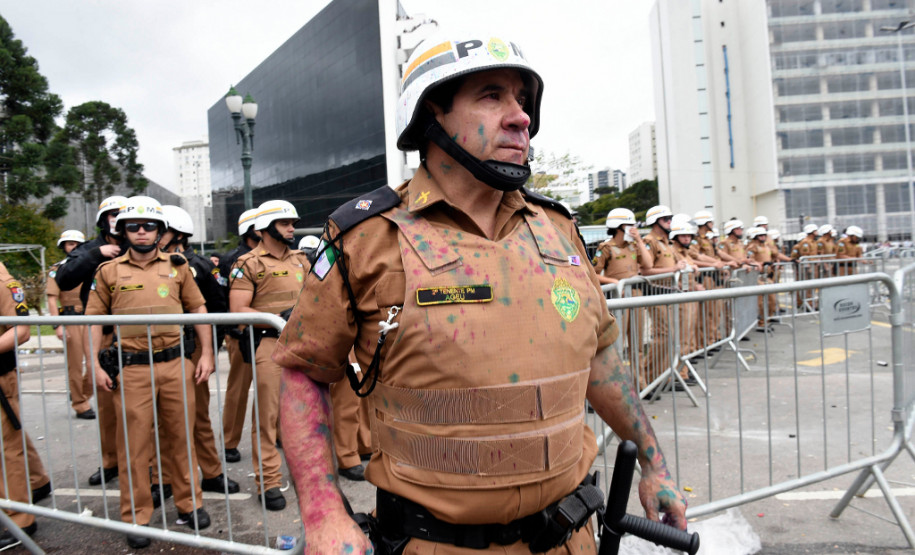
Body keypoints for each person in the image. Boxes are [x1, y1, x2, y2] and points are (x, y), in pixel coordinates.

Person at [273, 33, 687, 554]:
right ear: (432, 117)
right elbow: (303, 373)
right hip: (436, 545)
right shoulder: (366, 236)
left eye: (522, 100)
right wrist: (322, 513)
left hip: (570, 538)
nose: (521, 118)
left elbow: (600, 357)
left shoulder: (557, 228)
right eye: (492, 96)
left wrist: (655, 464)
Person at [85, 196, 214, 548]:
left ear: (160, 231)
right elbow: (93, 321)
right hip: (133, 368)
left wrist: (207, 355)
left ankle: (190, 505)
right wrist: (94, 363)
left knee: (181, 438)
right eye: (133, 226)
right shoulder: (108, 271)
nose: (142, 232)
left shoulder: (178, 267)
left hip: (176, 364)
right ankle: (138, 517)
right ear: (122, 231)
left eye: (149, 226)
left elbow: (199, 307)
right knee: (134, 447)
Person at [228, 199, 310, 511]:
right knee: (268, 417)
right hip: (269, 345)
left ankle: (308, 475)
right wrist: (279, 316)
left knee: (306, 414)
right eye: (285, 223)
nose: (292, 228)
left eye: (293, 222)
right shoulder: (247, 264)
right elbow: (238, 311)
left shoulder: (301, 259)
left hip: (303, 347)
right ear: (264, 229)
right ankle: (269, 480)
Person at [158, 205, 239, 496]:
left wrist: (209, 352)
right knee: (162, 421)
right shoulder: (147, 266)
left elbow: (218, 309)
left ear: (178, 233)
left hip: (191, 350)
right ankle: (164, 478)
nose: (154, 234)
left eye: (161, 228)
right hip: (158, 351)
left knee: (199, 416)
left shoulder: (202, 266)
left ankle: (212, 473)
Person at [54, 195, 127, 487]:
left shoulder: (142, 243)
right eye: (112, 214)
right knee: (108, 406)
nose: (117, 219)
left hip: (139, 335)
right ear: (102, 220)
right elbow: (64, 279)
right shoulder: (89, 250)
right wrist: (97, 254)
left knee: (141, 407)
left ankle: (150, 465)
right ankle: (112, 463)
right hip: (105, 333)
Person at [0, 261, 51, 548]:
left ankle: (20, 519)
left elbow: (21, 331)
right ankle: (36, 481)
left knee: (6, 447)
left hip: (1, 375)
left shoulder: (5, 283)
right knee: (10, 435)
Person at [591, 208, 652, 388]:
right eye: (630, 225)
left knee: (637, 343)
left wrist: (639, 240)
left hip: (635, 298)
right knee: (615, 344)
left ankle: (639, 383)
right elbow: (593, 274)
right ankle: (615, 384)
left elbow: (648, 264)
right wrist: (613, 281)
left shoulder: (634, 246)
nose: (633, 229)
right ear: (619, 227)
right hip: (618, 299)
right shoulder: (606, 247)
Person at [220, 208, 260, 464]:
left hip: (272, 334)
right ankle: (229, 441)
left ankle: (278, 434)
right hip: (242, 333)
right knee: (238, 389)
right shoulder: (233, 260)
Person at [47, 230, 95, 420]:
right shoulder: (57, 269)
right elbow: (52, 300)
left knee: (96, 363)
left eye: (76, 244)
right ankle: (80, 404)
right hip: (70, 319)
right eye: (69, 244)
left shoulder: (91, 266)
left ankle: (80, 393)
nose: (72, 247)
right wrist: (57, 325)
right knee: (75, 366)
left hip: (91, 318)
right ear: (63, 247)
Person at [641, 204, 686, 390]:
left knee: (670, 337)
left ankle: (663, 377)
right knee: (663, 336)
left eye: (670, 219)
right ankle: (650, 378)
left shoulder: (665, 242)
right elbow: (645, 270)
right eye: (666, 219)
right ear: (655, 221)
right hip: (656, 293)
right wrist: (674, 269)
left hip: (668, 293)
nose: (670, 222)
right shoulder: (649, 241)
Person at [746, 227, 778, 331]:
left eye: (764, 235)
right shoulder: (752, 247)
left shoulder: (767, 246)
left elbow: (774, 255)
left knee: (772, 299)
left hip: (767, 276)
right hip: (757, 276)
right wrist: (761, 264)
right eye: (760, 235)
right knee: (760, 302)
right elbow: (749, 260)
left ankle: (767, 319)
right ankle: (761, 322)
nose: (763, 237)